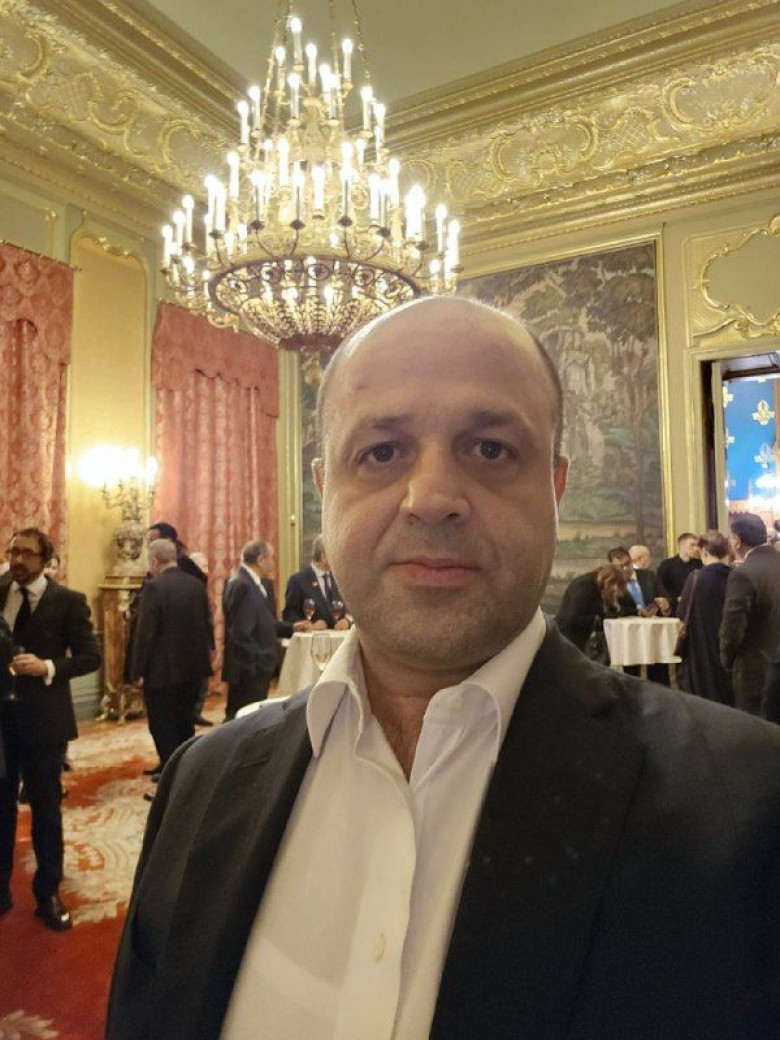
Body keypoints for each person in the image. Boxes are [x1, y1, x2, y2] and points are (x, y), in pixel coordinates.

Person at [108, 298, 780, 1040]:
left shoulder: (748, 804)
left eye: (490, 449)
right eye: (381, 452)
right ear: (325, 487)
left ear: (555, 489)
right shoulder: (200, 783)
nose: (430, 499)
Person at [0, 528, 100, 930]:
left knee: (45, 811)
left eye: (27, 553)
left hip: (44, 723)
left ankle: (48, 893)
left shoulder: (69, 602)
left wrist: (48, 667)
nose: (17, 559)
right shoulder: (0, 590)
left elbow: (90, 657)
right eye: (13, 551)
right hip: (2, 722)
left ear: (45, 560)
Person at [129, 539, 212, 792]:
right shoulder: (196, 584)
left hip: (162, 672)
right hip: (193, 669)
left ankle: (170, 778)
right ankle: (185, 772)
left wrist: (137, 671)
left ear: (154, 561)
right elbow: (206, 625)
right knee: (185, 723)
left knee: (162, 725)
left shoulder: (154, 588)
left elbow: (145, 634)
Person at [223, 541, 309, 721]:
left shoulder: (256, 583)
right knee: (243, 722)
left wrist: (292, 627)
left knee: (253, 720)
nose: (273, 562)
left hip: (256, 668)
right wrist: (260, 663)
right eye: (271, 558)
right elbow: (240, 633)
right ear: (261, 560)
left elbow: (265, 623)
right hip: (248, 671)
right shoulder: (242, 584)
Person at [720, 512, 780, 714]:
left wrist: (727, 659)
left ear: (737, 540)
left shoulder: (744, 573)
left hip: (757, 671)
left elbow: (733, 627)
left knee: (757, 729)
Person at [676, 531, 734, 706]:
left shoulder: (695, 578)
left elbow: (682, 612)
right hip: (729, 646)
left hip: (700, 646)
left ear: (704, 552)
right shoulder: (736, 576)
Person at [557, 558, 637, 651]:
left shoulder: (601, 587)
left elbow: (611, 612)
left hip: (583, 638)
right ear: (609, 580)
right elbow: (572, 618)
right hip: (569, 637)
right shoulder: (584, 586)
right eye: (615, 586)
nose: (615, 590)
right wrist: (597, 620)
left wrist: (617, 607)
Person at [283, 533, 349, 630]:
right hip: (312, 638)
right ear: (323, 556)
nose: (338, 557)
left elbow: (348, 611)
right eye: (335, 553)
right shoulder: (298, 581)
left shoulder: (339, 579)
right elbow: (289, 615)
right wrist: (308, 626)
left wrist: (347, 621)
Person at [657, 531, 703, 613]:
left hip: (694, 609)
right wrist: (673, 600)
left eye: (697, 545)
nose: (696, 548)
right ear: (682, 545)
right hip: (673, 609)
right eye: (692, 545)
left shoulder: (700, 565)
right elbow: (660, 587)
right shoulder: (667, 565)